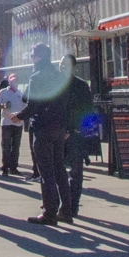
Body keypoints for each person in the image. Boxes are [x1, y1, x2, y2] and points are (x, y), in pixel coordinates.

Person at [23, 44, 69, 225]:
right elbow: (66, 104)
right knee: (59, 169)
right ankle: (66, 210)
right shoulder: (59, 76)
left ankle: (49, 212)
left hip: (43, 127)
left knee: (46, 172)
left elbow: (32, 104)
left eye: (33, 55)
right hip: (58, 127)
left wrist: (19, 116)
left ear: (38, 57)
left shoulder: (36, 76)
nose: (31, 58)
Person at [59, 55, 95, 221]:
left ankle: (72, 207)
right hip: (57, 133)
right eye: (61, 65)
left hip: (75, 135)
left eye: (65, 65)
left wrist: (80, 130)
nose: (62, 68)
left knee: (76, 172)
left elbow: (88, 110)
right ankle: (61, 204)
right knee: (57, 172)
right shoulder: (56, 85)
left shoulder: (80, 86)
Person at [0, 75, 27, 177]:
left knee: (16, 146)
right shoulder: (3, 92)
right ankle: (5, 167)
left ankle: (14, 167)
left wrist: (21, 117)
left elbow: (26, 107)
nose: (14, 83)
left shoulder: (21, 94)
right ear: (9, 82)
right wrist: (4, 106)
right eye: (12, 81)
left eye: (16, 81)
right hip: (6, 122)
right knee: (6, 145)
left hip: (18, 123)